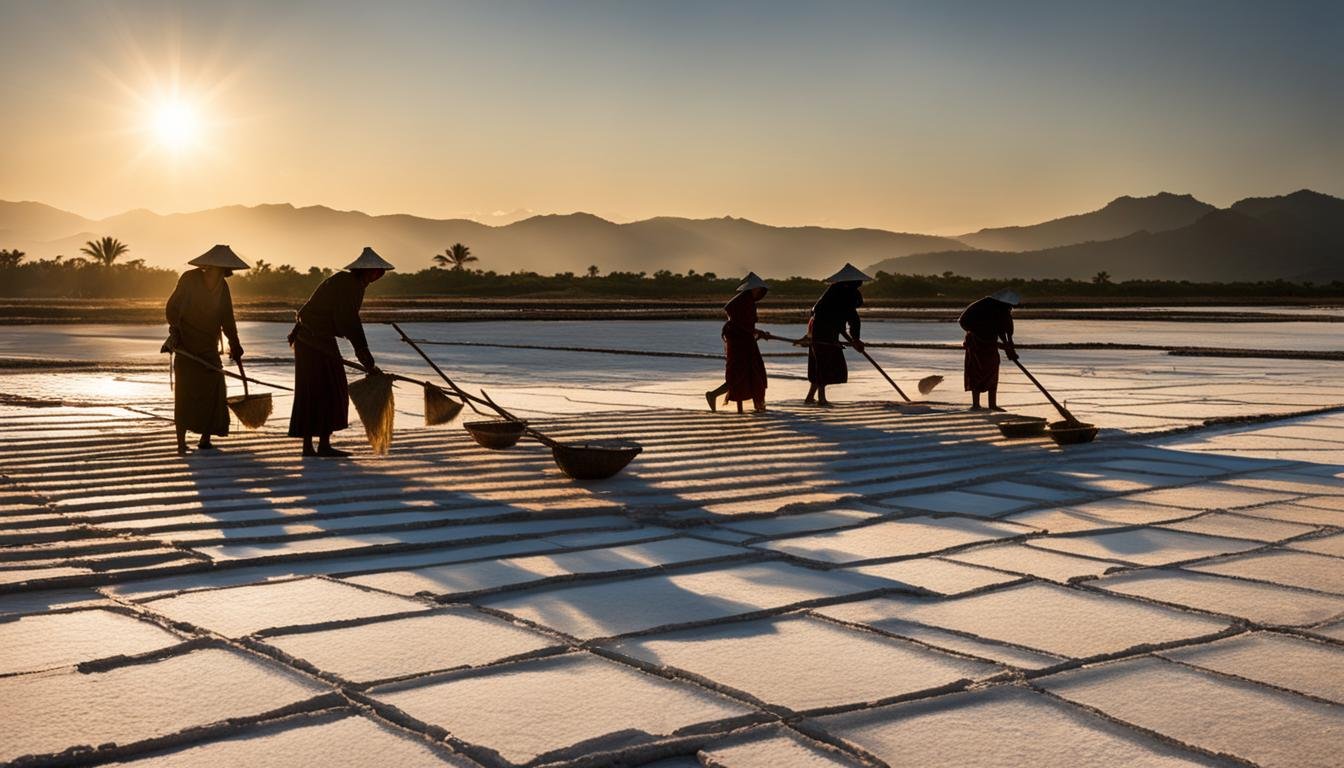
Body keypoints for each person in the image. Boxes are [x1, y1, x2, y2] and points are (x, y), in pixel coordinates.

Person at [287, 246, 394, 457]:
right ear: (366, 271)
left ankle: (319, 444)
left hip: (315, 337)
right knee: (322, 390)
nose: (378, 276)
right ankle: (315, 446)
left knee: (324, 390)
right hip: (312, 340)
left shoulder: (348, 282)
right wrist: (366, 357)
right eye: (376, 272)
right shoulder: (350, 284)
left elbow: (312, 306)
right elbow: (350, 322)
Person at [163, 245, 250, 454]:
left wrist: (235, 344)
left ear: (224, 271)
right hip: (186, 343)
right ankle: (181, 442)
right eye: (211, 269)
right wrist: (176, 331)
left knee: (215, 388)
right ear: (207, 267)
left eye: (219, 271)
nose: (214, 273)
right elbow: (172, 308)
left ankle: (205, 438)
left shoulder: (223, 288)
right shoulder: (189, 280)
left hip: (209, 345)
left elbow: (227, 318)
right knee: (185, 393)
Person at [804, 263, 871, 406]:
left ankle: (810, 397)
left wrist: (852, 338)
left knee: (819, 363)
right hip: (823, 332)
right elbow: (852, 317)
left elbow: (840, 316)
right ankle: (821, 399)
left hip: (822, 330)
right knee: (823, 363)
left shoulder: (835, 290)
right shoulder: (846, 292)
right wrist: (856, 339)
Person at [706, 272, 769, 413]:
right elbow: (741, 324)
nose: (759, 292)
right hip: (739, 342)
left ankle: (753, 406)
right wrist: (757, 332)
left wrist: (756, 332)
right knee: (740, 374)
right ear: (752, 289)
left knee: (749, 373)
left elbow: (744, 325)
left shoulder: (746, 301)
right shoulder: (743, 302)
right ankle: (714, 395)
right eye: (758, 289)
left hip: (743, 340)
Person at [958, 288, 1020, 411]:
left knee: (992, 370)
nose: (1011, 308)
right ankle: (976, 404)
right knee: (975, 371)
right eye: (1010, 305)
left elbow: (1005, 332)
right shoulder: (986, 306)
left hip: (989, 343)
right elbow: (964, 321)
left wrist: (1010, 349)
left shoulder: (1003, 310)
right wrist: (1005, 347)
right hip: (975, 342)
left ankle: (992, 404)